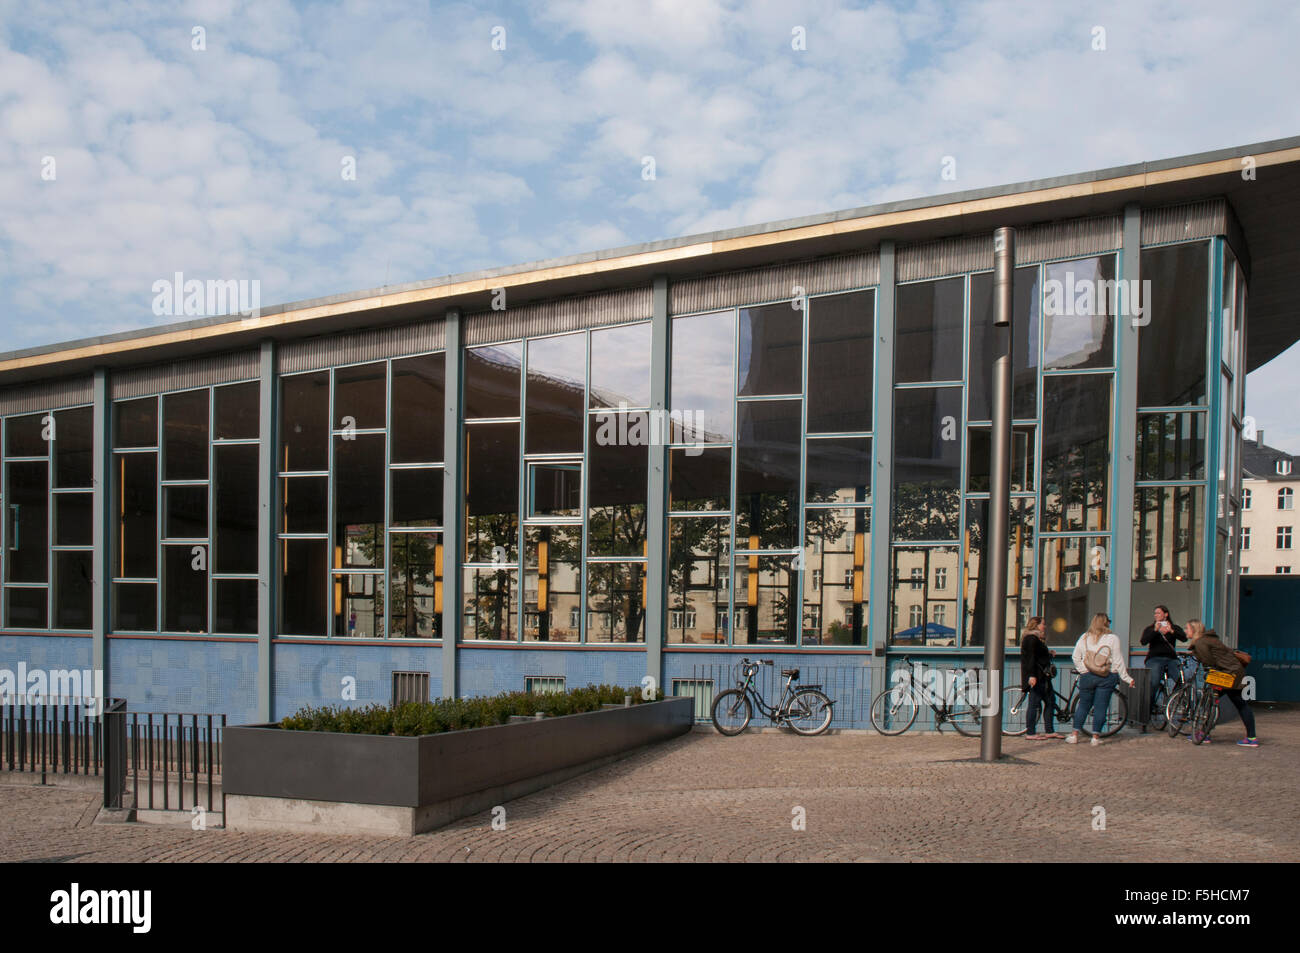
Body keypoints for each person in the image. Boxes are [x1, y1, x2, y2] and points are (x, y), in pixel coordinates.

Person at [1185, 619, 1258, 746]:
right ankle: (1251, 737)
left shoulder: (1201, 642)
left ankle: (1204, 734)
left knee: (1209, 701)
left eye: (1187, 629)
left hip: (1226, 674)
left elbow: (1209, 662)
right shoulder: (1209, 639)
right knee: (1240, 703)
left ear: (1194, 630)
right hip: (1234, 672)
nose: (1185, 631)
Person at [1066, 612, 1135, 746]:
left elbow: (1076, 657)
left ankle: (1074, 735)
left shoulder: (1084, 637)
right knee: (1101, 707)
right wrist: (1126, 678)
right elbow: (1118, 660)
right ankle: (1095, 737)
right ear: (1106, 623)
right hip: (1106, 676)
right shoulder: (1112, 638)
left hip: (1088, 676)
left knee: (1083, 705)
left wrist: (1084, 671)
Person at [1020, 617, 1062, 739]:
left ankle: (1049, 730)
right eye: (1043, 624)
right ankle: (1031, 732)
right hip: (1037, 676)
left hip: (1043, 677)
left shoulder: (1037, 638)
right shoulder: (1031, 639)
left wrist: (1048, 653)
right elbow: (1030, 658)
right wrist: (1031, 676)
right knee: (1034, 704)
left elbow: (1038, 655)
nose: (1045, 626)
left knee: (1050, 702)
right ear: (1036, 625)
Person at [1139, 605, 1187, 713]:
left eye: (1158, 613)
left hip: (1171, 659)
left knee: (1181, 681)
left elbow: (1184, 638)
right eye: (1155, 613)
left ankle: (1174, 701)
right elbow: (1143, 641)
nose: (1156, 615)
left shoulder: (1173, 627)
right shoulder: (1150, 628)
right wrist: (1155, 630)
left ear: (1166, 614)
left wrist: (1171, 631)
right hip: (1155, 658)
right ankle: (1148, 710)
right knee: (1154, 682)